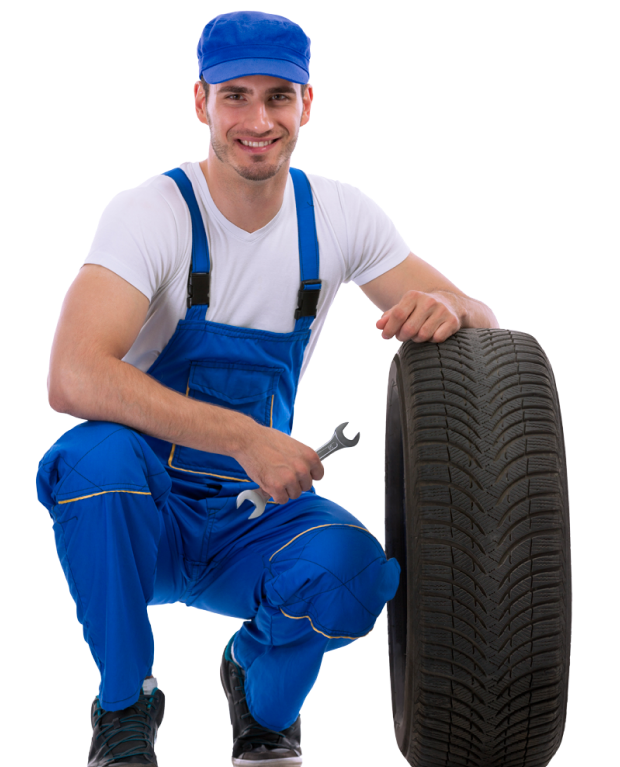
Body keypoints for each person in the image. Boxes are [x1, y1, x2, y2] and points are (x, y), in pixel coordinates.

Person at [36, 10, 500, 767]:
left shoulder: (339, 215)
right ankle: (125, 702)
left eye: (278, 97)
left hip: (253, 518)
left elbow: (479, 315)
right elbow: (73, 373)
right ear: (201, 102)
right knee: (94, 460)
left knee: (354, 573)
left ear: (307, 103)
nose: (258, 121)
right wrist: (247, 438)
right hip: (144, 514)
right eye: (236, 96)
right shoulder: (151, 213)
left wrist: (451, 311)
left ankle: (255, 685)